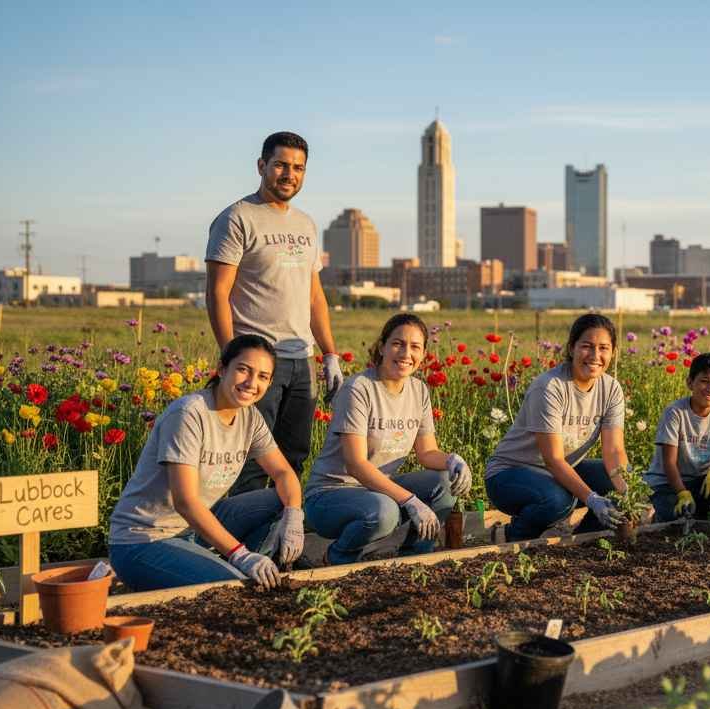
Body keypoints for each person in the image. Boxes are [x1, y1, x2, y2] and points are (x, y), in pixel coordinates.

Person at [205, 131, 343, 497]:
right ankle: (243, 545)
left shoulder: (306, 224)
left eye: (298, 167)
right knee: (251, 459)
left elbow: (314, 296)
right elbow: (218, 292)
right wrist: (231, 355)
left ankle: (285, 538)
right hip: (258, 359)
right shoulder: (237, 218)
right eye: (281, 164)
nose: (289, 174)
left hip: (301, 359)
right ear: (262, 165)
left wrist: (330, 354)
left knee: (293, 457)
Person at [108, 334, 302, 591]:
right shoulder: (189, 414)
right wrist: (239, 554)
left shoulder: (250, 417)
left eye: (263, 376)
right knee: (233, 588)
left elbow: (282, 472)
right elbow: (185, 502)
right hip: (144, 540)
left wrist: (294, 515)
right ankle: (235, 566)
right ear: (222, 369)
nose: (251, 383)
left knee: (283, 499)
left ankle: (257, 566)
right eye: (243, 370)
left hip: (194, 531)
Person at [303, 314, 470, 565]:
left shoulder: (418, 390)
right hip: (332, 494)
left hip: (380, 489)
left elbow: (426, 453)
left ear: (423, 354)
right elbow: (356, 465)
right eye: (397, 343)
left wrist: (453, 461)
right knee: (384, 511)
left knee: (445, 484)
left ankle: (414, 561)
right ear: (382, 347)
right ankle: (338, 558)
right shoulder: (359, 388)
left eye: (415, 347)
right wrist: (411, 500)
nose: (405, 353)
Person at [485, 313, 629, 541]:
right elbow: (553, 459)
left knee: (618, 480)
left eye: (604, 348)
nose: (595, 356)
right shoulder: (550, 387)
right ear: (571, 348)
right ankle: (509, 535)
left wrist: (628, 493)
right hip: (510, 473)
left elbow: (614, 451)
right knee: (559, 501)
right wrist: (591, 498)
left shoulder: (610, 389)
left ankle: (585, 539)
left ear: (613, 352)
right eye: (587, 346)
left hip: (559, 471)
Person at [644, 353, 710, 522]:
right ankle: (659, 515)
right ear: (690, 382)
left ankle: (702, 513)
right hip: (668, 485)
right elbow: (669, 463)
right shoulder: (675, 412)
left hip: (701, 481)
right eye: (704, 381)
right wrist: (682, 493)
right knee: (676, 519)